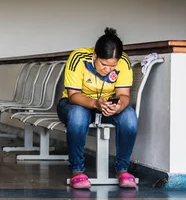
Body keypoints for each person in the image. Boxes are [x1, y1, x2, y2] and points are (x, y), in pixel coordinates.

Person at [57, 27, 138, 189]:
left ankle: (122, 170)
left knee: (129, 116)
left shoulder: (124, 62)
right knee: (79, 115)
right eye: (103, 64)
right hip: (75, 105)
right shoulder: (78, 57)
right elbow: (73, 96)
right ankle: (77, 171)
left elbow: (124, 95)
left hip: (105, 106)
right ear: (94, 55)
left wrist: (118, 106)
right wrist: (95, 103)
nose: (108, 69)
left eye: (112, 66)